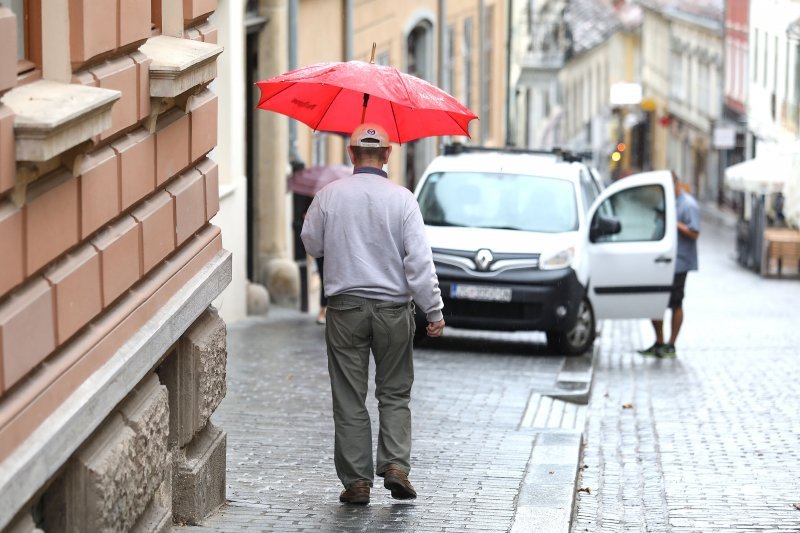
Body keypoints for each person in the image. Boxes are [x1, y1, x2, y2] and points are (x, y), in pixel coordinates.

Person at [301, 123, 445, 505]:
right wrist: (433, 311)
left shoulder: (329, 195)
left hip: (345, 308)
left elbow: (311, 244)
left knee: (349, 396)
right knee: (394, 391)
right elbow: (419, 263)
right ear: (387, 154)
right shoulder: (403, 200)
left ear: (351, 154)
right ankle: (396, 465)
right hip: (393, 310)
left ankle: (357, 482)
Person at [639, 171, 700, 358]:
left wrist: (675, 224)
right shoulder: (667, 202)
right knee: (654, 302)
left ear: (676, 184)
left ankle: (671, 345)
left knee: (676, 302)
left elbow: (694, 232)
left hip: (679, 262)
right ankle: (659, 342)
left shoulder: (688, 205)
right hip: (661, 260)